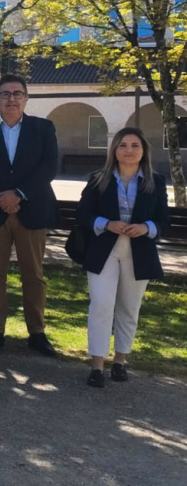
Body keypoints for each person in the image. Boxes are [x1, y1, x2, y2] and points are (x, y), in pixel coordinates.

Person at [0, 74, 60, 357]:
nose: (11, 99)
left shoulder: (43, 128)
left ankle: (37, 333)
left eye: (17, 93)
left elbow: (49, 167)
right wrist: (1, 198)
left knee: (34, 275)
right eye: (5, 94)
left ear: (26, 98)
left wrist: (18, 194)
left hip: (31, 210)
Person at [76, 128, 169, 387]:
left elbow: (163, 220)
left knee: (129, 307)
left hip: (138, 252)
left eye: (135, 145)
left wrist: (146, 227)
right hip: (103, 250)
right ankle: (97, 365)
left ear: (144, 151)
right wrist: (107, 224)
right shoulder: (99, 179)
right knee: (102, 304)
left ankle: (120, 361)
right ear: (114, 150)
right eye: (123, 145)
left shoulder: (155, 181)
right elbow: (83, 214)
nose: (129, 150)